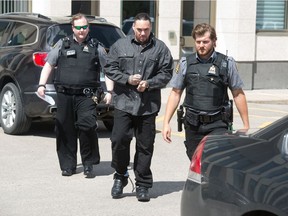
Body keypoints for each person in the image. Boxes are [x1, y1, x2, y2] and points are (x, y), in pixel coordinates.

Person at [104, 13, 173, 202]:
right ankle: (120, 176)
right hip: (124, 103)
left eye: (146, 30)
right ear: (133, 28)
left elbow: (167, 73)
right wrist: (126, 79)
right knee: (119, 141)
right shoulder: (120, 45)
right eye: (139, 30)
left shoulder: (160, 48)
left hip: (147, 106)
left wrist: (149, 83)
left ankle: (143, 184)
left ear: (151, 28)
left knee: (145, 146)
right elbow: (109, 67)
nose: (143, 33)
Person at [37, 13, 113, 177]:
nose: (82, 30)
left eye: (85, 27)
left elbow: (108, 70)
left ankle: (88, 163)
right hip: (65, 94)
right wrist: (42, 84)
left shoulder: (96, 46)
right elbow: (49, 64)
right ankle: (68, 165)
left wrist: (109, 91)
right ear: (73, 28)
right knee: (65, 129)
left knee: (87, 127)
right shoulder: (62, 44)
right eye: (78, 27)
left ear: (88, 28)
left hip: (87, 96)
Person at [162, 23, 249, 160]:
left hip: (218, 123)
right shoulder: (186, 63)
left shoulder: (227, 63)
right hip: (193, 124)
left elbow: (237, 93)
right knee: (195, 161)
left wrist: (246, 125)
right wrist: (166, 122)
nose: (201, 45)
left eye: (205, 42)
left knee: (216, 161)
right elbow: (175, 92)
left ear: (214, 41)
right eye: (198, 42)